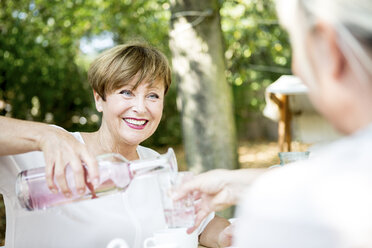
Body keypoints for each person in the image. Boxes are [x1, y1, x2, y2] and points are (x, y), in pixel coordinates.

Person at [175, 0, 372, 247]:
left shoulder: (285, 206)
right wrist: (234, 183)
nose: (296, 68)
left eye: (296, 44)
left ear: (329, 48)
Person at [0, 43, 230, 248]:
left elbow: (200, 224)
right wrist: (44, 135)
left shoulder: (156, 163)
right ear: (99, 99)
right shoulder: (49, 150)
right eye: (126, 92)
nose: (140, 107)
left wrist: (226, 236)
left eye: (152, 95)